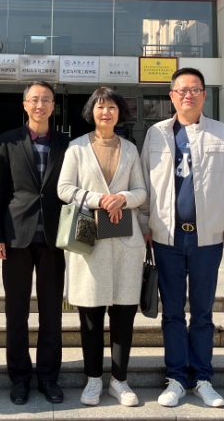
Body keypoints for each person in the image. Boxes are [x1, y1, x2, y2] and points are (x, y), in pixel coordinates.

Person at [139, 67, 224, 409]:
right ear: (171, 96)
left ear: (204, 95)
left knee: (202, 313)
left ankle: (202, 378)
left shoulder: (221, 132)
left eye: (195, 89)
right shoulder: (156, 133)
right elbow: (146, 183)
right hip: (166, 238)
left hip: (207, 240)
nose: (188, 95)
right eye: (181, 90)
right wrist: (144, 225)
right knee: (172, 312)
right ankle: (176, 379)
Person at [58, 87, 148, 407]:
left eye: (111, 107)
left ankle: (119, 381)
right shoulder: (76, 148)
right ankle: (93, 379)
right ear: (91, 112)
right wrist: (100, 200)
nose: (106, 112)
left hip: (125, 242)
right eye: (100, 107)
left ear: (119, 113)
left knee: (124, 314)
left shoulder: (131, 149)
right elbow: (64, 188)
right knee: (91, 315)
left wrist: (122, 198)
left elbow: (142, 192)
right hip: (89, 239)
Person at [0, 81, 70, 405]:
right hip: (16, 238)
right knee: (16, 311)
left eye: (46, 100)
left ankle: (48, 376)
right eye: (34, 99)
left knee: (52, 312)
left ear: (53, 106)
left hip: (54, 239)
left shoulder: (66, 143)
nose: (40, 105)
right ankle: (20, 378)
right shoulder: (7, 141)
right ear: (24, 105)